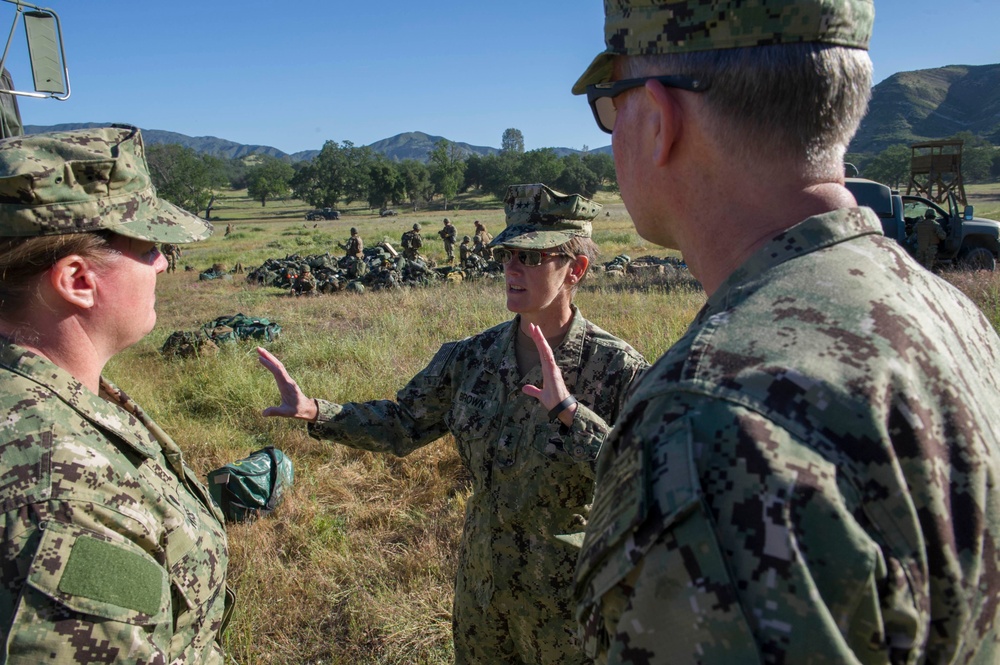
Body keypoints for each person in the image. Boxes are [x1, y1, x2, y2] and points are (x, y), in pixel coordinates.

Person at [568, 1, 1000, 663]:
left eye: (610, 103)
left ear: (657, 118)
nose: (611, 128)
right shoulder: (949, 313)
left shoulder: (711, 416)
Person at [258, 183, 648, 665]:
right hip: (483, 592)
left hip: (567, 608)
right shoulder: (472, 357)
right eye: (507, 253)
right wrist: (319, 411)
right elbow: (403, 423)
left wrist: (571, 412)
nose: (511, 268)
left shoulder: (617, 369)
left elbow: (645, 478)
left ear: (576, 270)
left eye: (530, 256)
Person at [0, 126, 233, 663]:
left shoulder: (45, 396)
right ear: (78, 280)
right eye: (148, 246)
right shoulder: (58, 496)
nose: (163, 264)